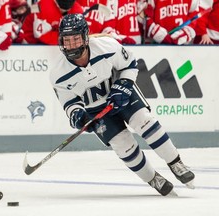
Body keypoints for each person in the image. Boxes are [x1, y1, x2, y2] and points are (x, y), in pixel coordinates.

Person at [50, 13, 195, 196]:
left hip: (122, 94)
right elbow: (70, 103)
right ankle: (152, 178)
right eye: (67, 40)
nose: (71, 45)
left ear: (85, 37)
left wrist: (124, 86)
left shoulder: (107, 46)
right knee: (122, 144)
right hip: (96, 110)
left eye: (76, 39)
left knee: (145, 122)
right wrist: (79, 116)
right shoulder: (57, 74)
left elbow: (130, 65)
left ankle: (175, 163)